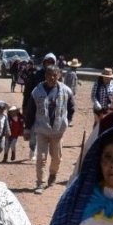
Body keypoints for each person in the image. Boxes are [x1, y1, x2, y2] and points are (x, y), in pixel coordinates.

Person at [30, 63, 76, 194]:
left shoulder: (66, 90)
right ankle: (40, 183)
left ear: (59, 75)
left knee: (56, 157)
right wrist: (28, 128)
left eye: (54, 75)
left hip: (58, 130)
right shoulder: (37, 91)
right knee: (41, 157)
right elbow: (30, 110)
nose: (52, 78)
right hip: (42, 130)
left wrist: (67, 121)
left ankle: (53, 174)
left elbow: (72, 108)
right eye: (49, 75)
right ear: (45, 75)